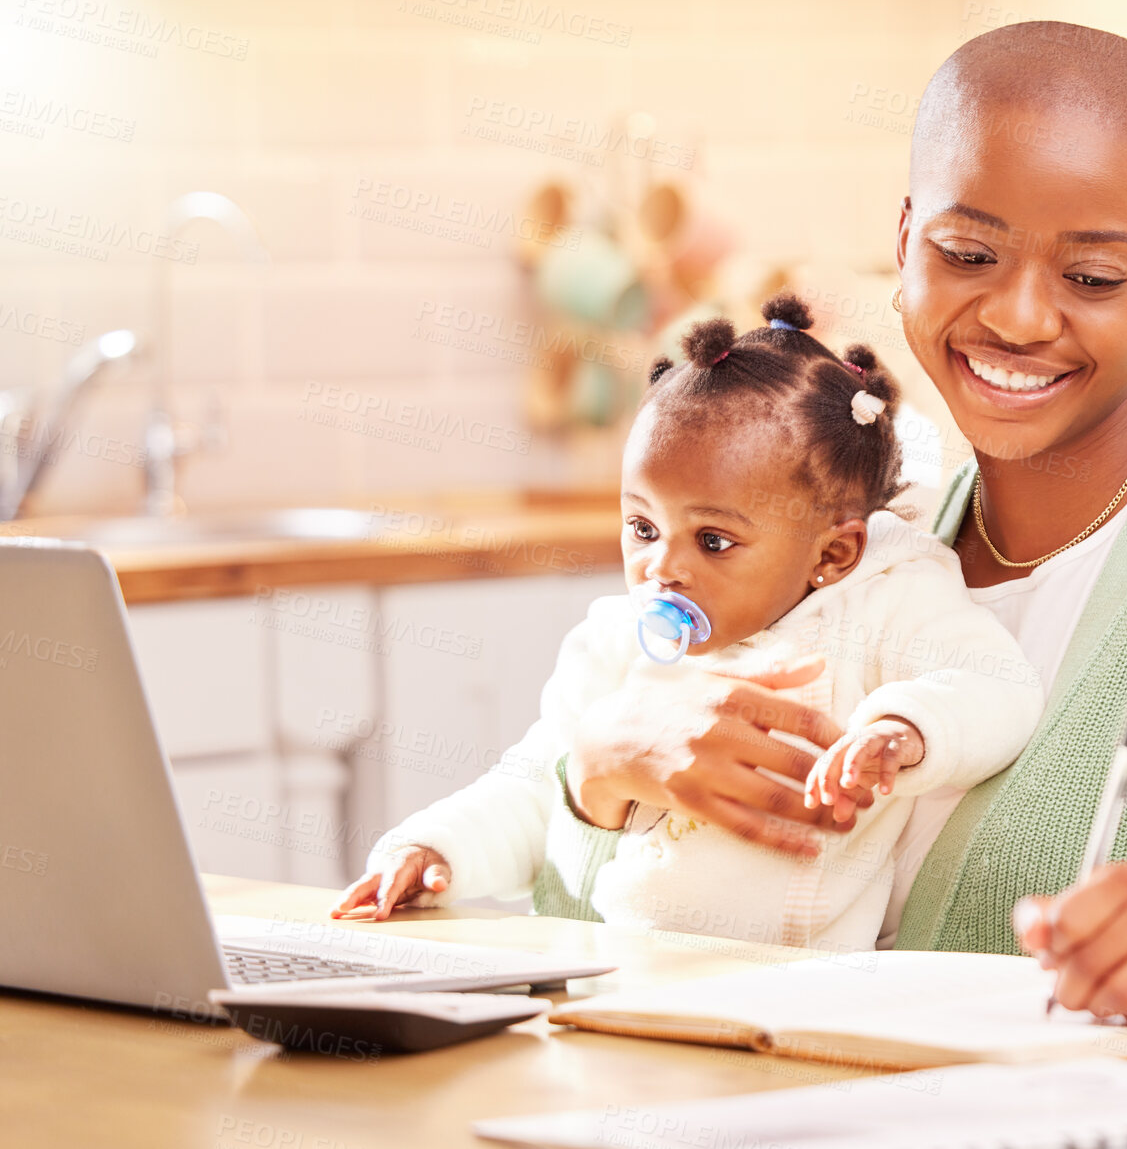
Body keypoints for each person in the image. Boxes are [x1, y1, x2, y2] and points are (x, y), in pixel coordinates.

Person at [542, 22, 1127, 1024]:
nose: (1016, 317)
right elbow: (578, 920)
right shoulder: (853, 541)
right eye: (967, 252)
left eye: (1091, 278)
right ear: (903, 242)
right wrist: (600, 772)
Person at [332, 295, 1043, 953]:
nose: (660, 568)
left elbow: (997, 684)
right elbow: (535, 783)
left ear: (831, 552)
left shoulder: (885, 604)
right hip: (624, 975)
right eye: (642, 526)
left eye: (712, 541)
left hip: (796, 993)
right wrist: (432, 851)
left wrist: (906, 729)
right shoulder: (614, 644)